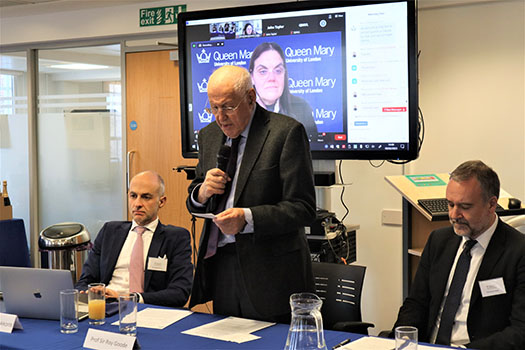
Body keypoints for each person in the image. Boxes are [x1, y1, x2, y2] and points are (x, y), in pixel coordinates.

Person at [187, 65, 316, 323]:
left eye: (228, 107)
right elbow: (196, 194)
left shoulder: (285, 132)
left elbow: (303, 208)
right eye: (213, 107)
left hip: (271, 273)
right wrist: (201, 192)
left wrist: (247, 219)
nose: (220, 117)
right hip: (222, 265)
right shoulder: (209, 135)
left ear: (250, 97)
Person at [392, 160, 525, 350]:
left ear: (491, 204)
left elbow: (520, 331)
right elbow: (416, 303)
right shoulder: (438, 241)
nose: (454, 214)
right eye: (450, 204)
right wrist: (402, 339)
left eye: (465, 206)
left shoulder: (518, 251)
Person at [76, 171, 193, 308]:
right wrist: (92, 291)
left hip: (148, 309)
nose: (137, 203)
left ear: (161, 201)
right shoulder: (110, 231)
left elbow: (180, 293)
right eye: (133, 196)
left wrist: (133, 298)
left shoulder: (175, 238)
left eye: (146, 197)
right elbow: (85, 281)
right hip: (106, 307)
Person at [248, 42, 318, 141]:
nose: (271, 78)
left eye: (278, 71)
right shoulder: (241, 111)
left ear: (284, 74)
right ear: (252, 77)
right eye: (263, 71)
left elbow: (310, 149)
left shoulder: (302, 107)